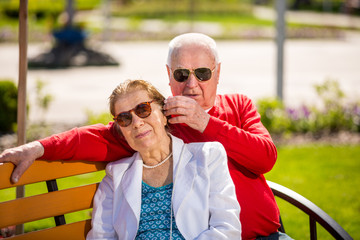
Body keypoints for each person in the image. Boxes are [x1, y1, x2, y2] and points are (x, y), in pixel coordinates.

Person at [0, 33, 290, 240]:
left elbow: (265, 157)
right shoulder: (156, 122)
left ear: (217, 73)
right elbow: (94, 137)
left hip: (268, 235)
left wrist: (206, 122)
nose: (192, 84)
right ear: (168, 74)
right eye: (181, 74)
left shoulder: (238, 105)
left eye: (202, 73)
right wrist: (38, 147)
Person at [86, 79, 241, 239]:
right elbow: (101, 236)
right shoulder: (115, 175)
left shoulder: (208, 157)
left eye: (143, 109)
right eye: (124, 118)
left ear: (164, 114)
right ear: (121, 130)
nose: (137, 123)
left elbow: (227, 229)